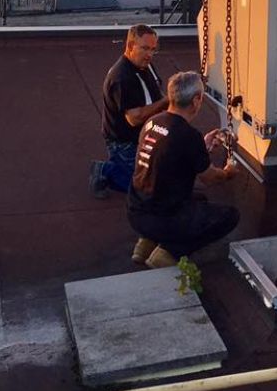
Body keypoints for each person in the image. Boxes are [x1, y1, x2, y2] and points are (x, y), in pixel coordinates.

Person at [128, 70, 240, 269]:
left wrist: (202, 147)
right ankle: (169, 251)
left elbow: (167, 157)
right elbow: (210, 178)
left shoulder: (153, 122)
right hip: (162, 217)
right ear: (196, 100)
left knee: (199, 200)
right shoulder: (187, 135)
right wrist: (229, 171)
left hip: (136, 211)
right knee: (229, 216)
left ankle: (146, 242)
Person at [90, 24, 168, 198]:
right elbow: (134, 118)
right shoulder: (122, 77)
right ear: (130, 46)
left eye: (153, 49)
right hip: (124, 141)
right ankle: (105, 170)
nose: (150, 54)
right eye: (145, 48)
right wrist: (167, 101)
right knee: (141, 189)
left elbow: (157, 92)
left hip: (144, 134)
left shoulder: (146, 66)